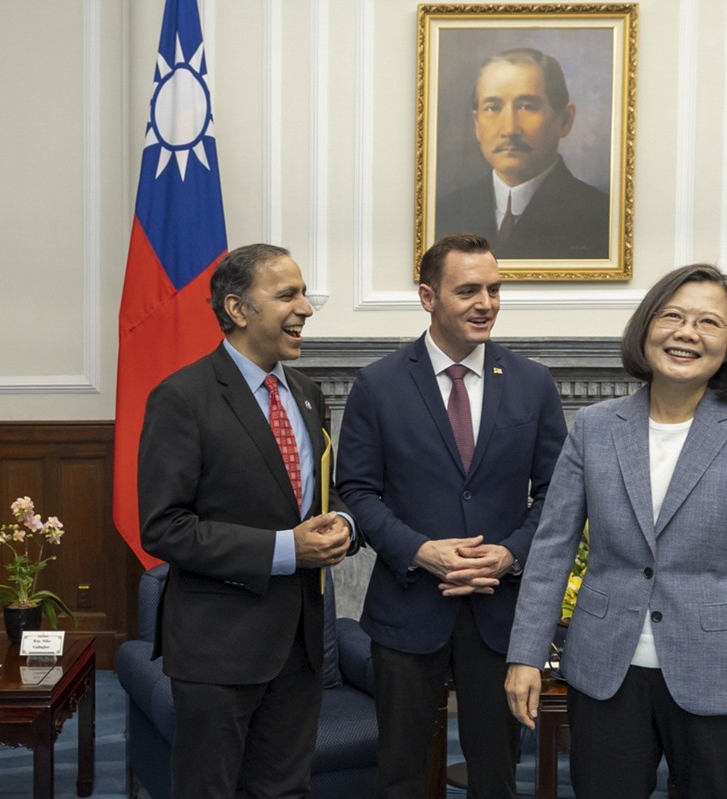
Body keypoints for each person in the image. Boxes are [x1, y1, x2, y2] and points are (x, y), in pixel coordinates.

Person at [505, 264, 727, 798]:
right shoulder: (594, 427)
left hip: (724, 678)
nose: (687, 332)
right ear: (646, 327)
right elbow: (551, 549)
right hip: (605, 673)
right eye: (673, 316)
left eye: (709, 323)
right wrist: (525, 654)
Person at [337, 233, 567, 798]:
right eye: (467, 290)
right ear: (427, 296)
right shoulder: (379, 384)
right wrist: (421, 550)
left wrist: (511, 551)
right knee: (401, 773)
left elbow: (560, 496)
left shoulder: (532, 382)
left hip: (500, 610)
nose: (485, 303)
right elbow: (357, 492)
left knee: (497, 772)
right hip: (409, 605)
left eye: (493, 289)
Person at [138, 243, 356, 798]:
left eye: (304, 293)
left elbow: (323, 499)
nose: (306, 308)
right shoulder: (181, 398)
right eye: (287, 295)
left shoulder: (307, 395)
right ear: (237, 309)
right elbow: (164, 527)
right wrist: (287, 550)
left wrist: (342, 528)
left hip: (300, 647)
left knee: (284, 790)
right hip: (219, 649)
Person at [435, 47, 610, 260]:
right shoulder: (443, 212)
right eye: (492, 107)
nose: (509, 129)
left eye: (527, 106)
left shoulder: (601, 216)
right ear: (476, 123)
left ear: (565, 120)